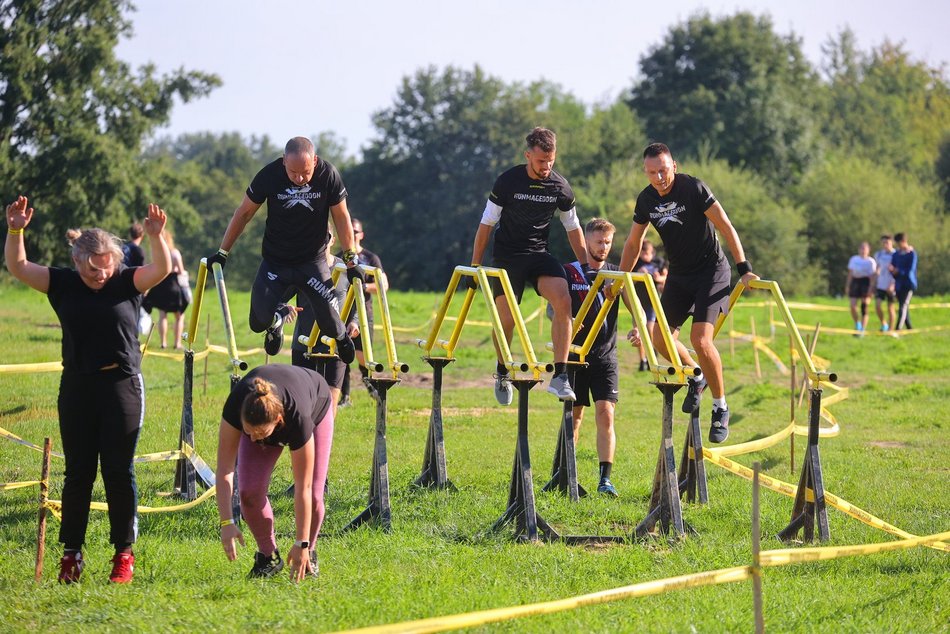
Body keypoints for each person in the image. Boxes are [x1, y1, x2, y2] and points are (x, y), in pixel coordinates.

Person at [5, 196, 171, 584]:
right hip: (78, 386)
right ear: (78, 261)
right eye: (92, 269)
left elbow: (161, 268)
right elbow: (18, 266)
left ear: (115, 261)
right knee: (78, 472)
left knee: (118, 470)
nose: (100, 275)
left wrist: (157, 236)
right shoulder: (62, 283)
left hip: (121, 386)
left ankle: (123, 555)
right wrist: (16, 230)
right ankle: (71, 555)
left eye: (106, 267)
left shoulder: (127, 282)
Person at [616, 143, 758, 443]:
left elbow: (726, 226)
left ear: (674, 167)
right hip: (679, 274)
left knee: (700, 339)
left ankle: (720, 407)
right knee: (659, 340)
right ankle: (697, 374)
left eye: (663, 171)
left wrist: (743, 267)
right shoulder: (646, 199)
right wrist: (621, 277)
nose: (659, 178)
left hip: (712, 271)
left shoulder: (693, 188)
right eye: (652, 173)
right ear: (646, 172)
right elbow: (632, 244)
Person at [205, 136, 361, 363]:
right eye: (293, 173)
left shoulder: (328, 174)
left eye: (305, 173)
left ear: (315, 161)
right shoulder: (269, 175)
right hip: (276, 262)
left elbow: (341, 216)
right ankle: (276, 322)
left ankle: (342, 337)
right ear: (283, 162)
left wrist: (350, 258)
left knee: (330, 324)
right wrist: (222, 252)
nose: (299, 179)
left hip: (312, 262)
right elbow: (244, 213)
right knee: (257, 322)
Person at [468, 127, 590, 405]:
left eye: (550, 161)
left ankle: (560, 375)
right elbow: (487, 224)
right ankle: (502, 371)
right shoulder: (508, 181)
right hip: (508, 257)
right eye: (540, 161)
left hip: (538, 254)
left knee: (563, 299)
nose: (546, 167)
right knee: (507, 320)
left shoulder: (560, 186)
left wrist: (585, 266)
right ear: (527, 156)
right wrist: (475, 265)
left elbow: (573, 227)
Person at [216, 364, 334, 582]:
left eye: (260, 434)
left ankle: (309, 553)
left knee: (316, 496)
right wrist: (226, 522)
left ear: (278, 422)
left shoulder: (298, 419)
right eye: (248, 432)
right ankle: (268, 557)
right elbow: (224, 469)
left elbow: (303, 488)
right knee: (249, 493)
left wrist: (301, 542)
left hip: (315, 401)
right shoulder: (236, 405)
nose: (253, 439)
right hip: (267, 409)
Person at [556, 218, 639, 497]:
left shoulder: (617, 274)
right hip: (575, 356)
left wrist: (639, 327)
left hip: (605, 356)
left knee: (606, 415)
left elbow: (636, 308)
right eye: (598, 242)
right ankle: (567, 475)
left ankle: (605, 480)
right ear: (586, 242)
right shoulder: (569, 272)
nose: (603, 247)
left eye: (607, 243)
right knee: (575, 416)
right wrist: (566, 321)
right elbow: (553, 310)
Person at [292, 232, 359, 415]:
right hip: (305, 342)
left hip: (336, 343)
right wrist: (283, 308)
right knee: (303, 404)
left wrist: (354, 321)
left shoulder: (344, 268)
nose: (322, 239)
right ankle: (306, 441)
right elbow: (281, 294)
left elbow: (356, 300)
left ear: (333, 239)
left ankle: (324, 443)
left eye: (326, 235)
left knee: (330, 404)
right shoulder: (302, 266)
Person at [338, 217, 387, 405]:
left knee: (362, 355)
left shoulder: (370, 258)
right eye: (349, 231)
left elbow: (383, 284)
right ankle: (345, 397)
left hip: (364, 314)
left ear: (361, 235)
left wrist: (361, 287)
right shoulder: (339, 256)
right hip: (343, 312)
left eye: (355, 231)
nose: (352, 234)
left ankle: (371, 388)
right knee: (342, 354)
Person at [143, 229, 191, 349]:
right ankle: (177, 343)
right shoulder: (175, 253)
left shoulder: (157, 253)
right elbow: (180, 271)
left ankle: (163, 342)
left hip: (160, 285)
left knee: (162, 315)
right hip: (174, 286)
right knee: (179, 316)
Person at [633, 239, 667, 371]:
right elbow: (628, 280)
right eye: (642, 253)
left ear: (651, 252)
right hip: (638, 301)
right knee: (639, 332)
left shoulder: (658, 262)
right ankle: (642, 360)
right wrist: (638, 275)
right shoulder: (636, 263)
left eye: (646, 253)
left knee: (651, 330)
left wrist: (659, 279)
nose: (644, 256)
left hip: (653, 301)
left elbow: (666, 277)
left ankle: (651, 355)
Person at [845, 241, 876, 336]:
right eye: (861, 248)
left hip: (866, 283)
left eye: (865, 248)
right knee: (853, 306)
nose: (863, 250)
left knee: (864, 306)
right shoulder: (854, 259)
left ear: (868, 250)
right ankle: (857, 323)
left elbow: (872, 276)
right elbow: (850, 273)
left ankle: (862, 329)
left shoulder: (871, 261)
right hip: (855, 281)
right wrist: (848, 285)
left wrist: (871, 288)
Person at [889, 232, 918, 330]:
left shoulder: (912, 254)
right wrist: (892, 270)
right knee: (903, 306)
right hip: (898, 284)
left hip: (908, 284)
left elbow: (910, 270)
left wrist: (899, 271)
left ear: (904, 241)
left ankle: (898, 329)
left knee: (903, 306)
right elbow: (892, 266)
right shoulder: (896, 254)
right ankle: (910, 328)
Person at [872, 234, 897, 332]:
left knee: (890, 308)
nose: (885, 245)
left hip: (891, 285)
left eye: (887, 242)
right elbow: (877, 268)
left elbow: (896, 270)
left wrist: (893, 284)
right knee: (877, 306)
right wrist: (874, 282)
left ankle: (891, 329)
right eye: (883, 243)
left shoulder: (896, 254)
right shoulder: (879, 254)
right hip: (881, 284)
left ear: (892, 243)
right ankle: (884, 324)